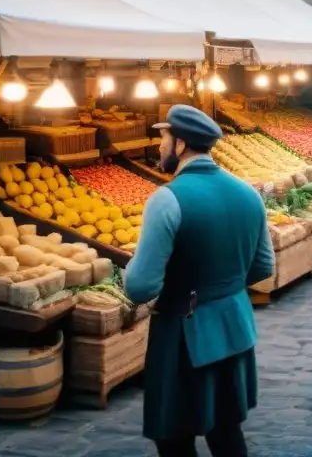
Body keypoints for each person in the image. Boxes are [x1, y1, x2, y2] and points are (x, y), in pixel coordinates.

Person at [125, 105, 274, 457]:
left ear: (180, 144)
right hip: (235, 327)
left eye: (163, 138)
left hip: (183, 332)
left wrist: (133, 265)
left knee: (175, 437)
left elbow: (140, 286)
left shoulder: (167, 199)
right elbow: (264, 265)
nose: (159, 147)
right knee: (226, 430)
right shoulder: (248, 193)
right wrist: (224, 285)